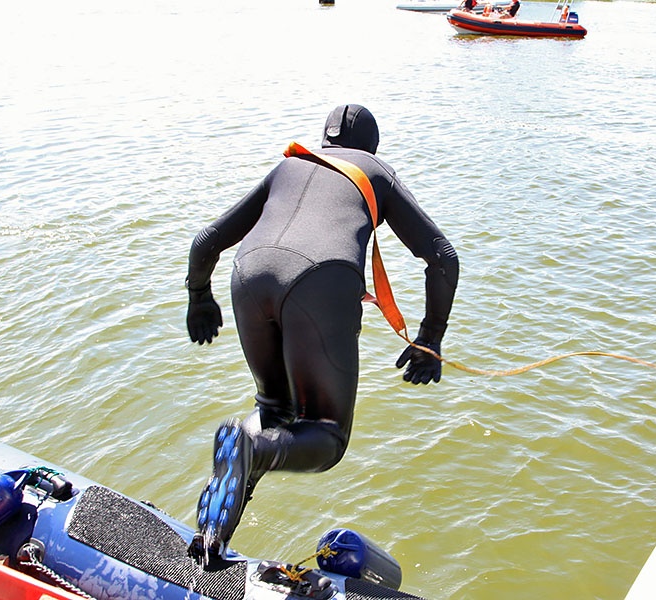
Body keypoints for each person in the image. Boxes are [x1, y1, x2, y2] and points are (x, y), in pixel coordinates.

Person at [185, 104, 460, 561]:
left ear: (326, 141)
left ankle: (211, 543)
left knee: (274, 411)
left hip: (248, 273)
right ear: (371, 146)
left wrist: (199, 297)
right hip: (318, 277)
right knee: (327, 435)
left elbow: (206, 240)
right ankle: (249, 447)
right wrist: (431, 338)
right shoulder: (373, 170)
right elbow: (442, 256)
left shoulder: (291, 163)